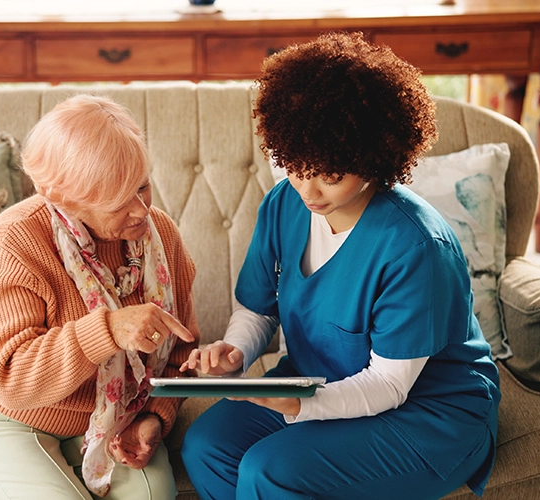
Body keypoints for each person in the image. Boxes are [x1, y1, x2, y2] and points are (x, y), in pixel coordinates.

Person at [180, 32, 500, 499]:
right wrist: (236, 352)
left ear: (373, 158)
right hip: (317, 379)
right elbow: (258, 309)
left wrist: (297, 404)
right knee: (206, 447)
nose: (308, 191)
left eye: (330, 176)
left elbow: (389, 385)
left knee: (270, 471)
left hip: (428, 411)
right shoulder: (284, 204)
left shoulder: (415, 246)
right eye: (296, 167)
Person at [0, 94, 200, 499]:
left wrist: (154, 416)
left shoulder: (159, 236)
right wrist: (108, 330)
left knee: (154, 495)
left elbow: (181, 352)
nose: (141, 210)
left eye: (143, 186)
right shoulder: (14, 244)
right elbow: (12, 380)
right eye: (118, 200)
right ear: (63, 199)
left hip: (108, 416)